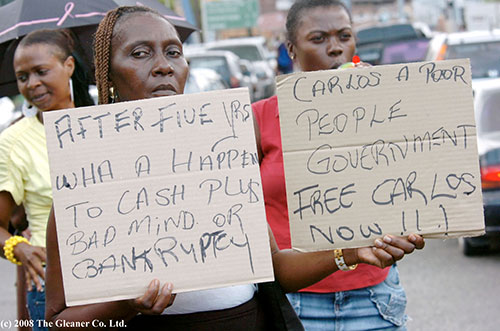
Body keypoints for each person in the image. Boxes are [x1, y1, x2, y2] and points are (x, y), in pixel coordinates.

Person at [45, 6, 423, 330]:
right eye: (140, 53)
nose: (163, 66)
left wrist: (350, 251)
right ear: (106, 73)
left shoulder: (219, 156)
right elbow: (58, 320)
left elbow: (275, 269)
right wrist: (126, 302)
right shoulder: (84, 181)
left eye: (173, 52)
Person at [252, 1, 423, 330]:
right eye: (318, 39)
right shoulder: (259, 118)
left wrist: (383, 106)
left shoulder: (381, 108)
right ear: (291, 49)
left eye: (344, 36)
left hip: (374, 298)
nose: (335, 49)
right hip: (294, 300)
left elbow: (409, 178)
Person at [0, 28, 94, 331]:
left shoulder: (105, 123)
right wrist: (20, 248)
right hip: (53, 288)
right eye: (23, 76)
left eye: (41, 71)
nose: (32, 84)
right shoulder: (14, 142)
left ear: (68, 66)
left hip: (115, 282)